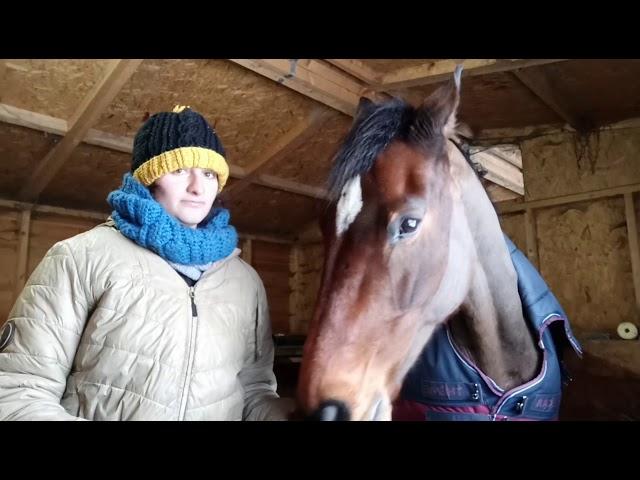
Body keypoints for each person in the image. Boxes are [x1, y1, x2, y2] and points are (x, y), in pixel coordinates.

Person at [0, 105, 293, 420]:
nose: (198, 187)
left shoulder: (244, 281)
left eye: (209, 173)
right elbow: (19, 391)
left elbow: (254, 391)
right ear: (149, 179)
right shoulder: (80, 257)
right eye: (179, 170)